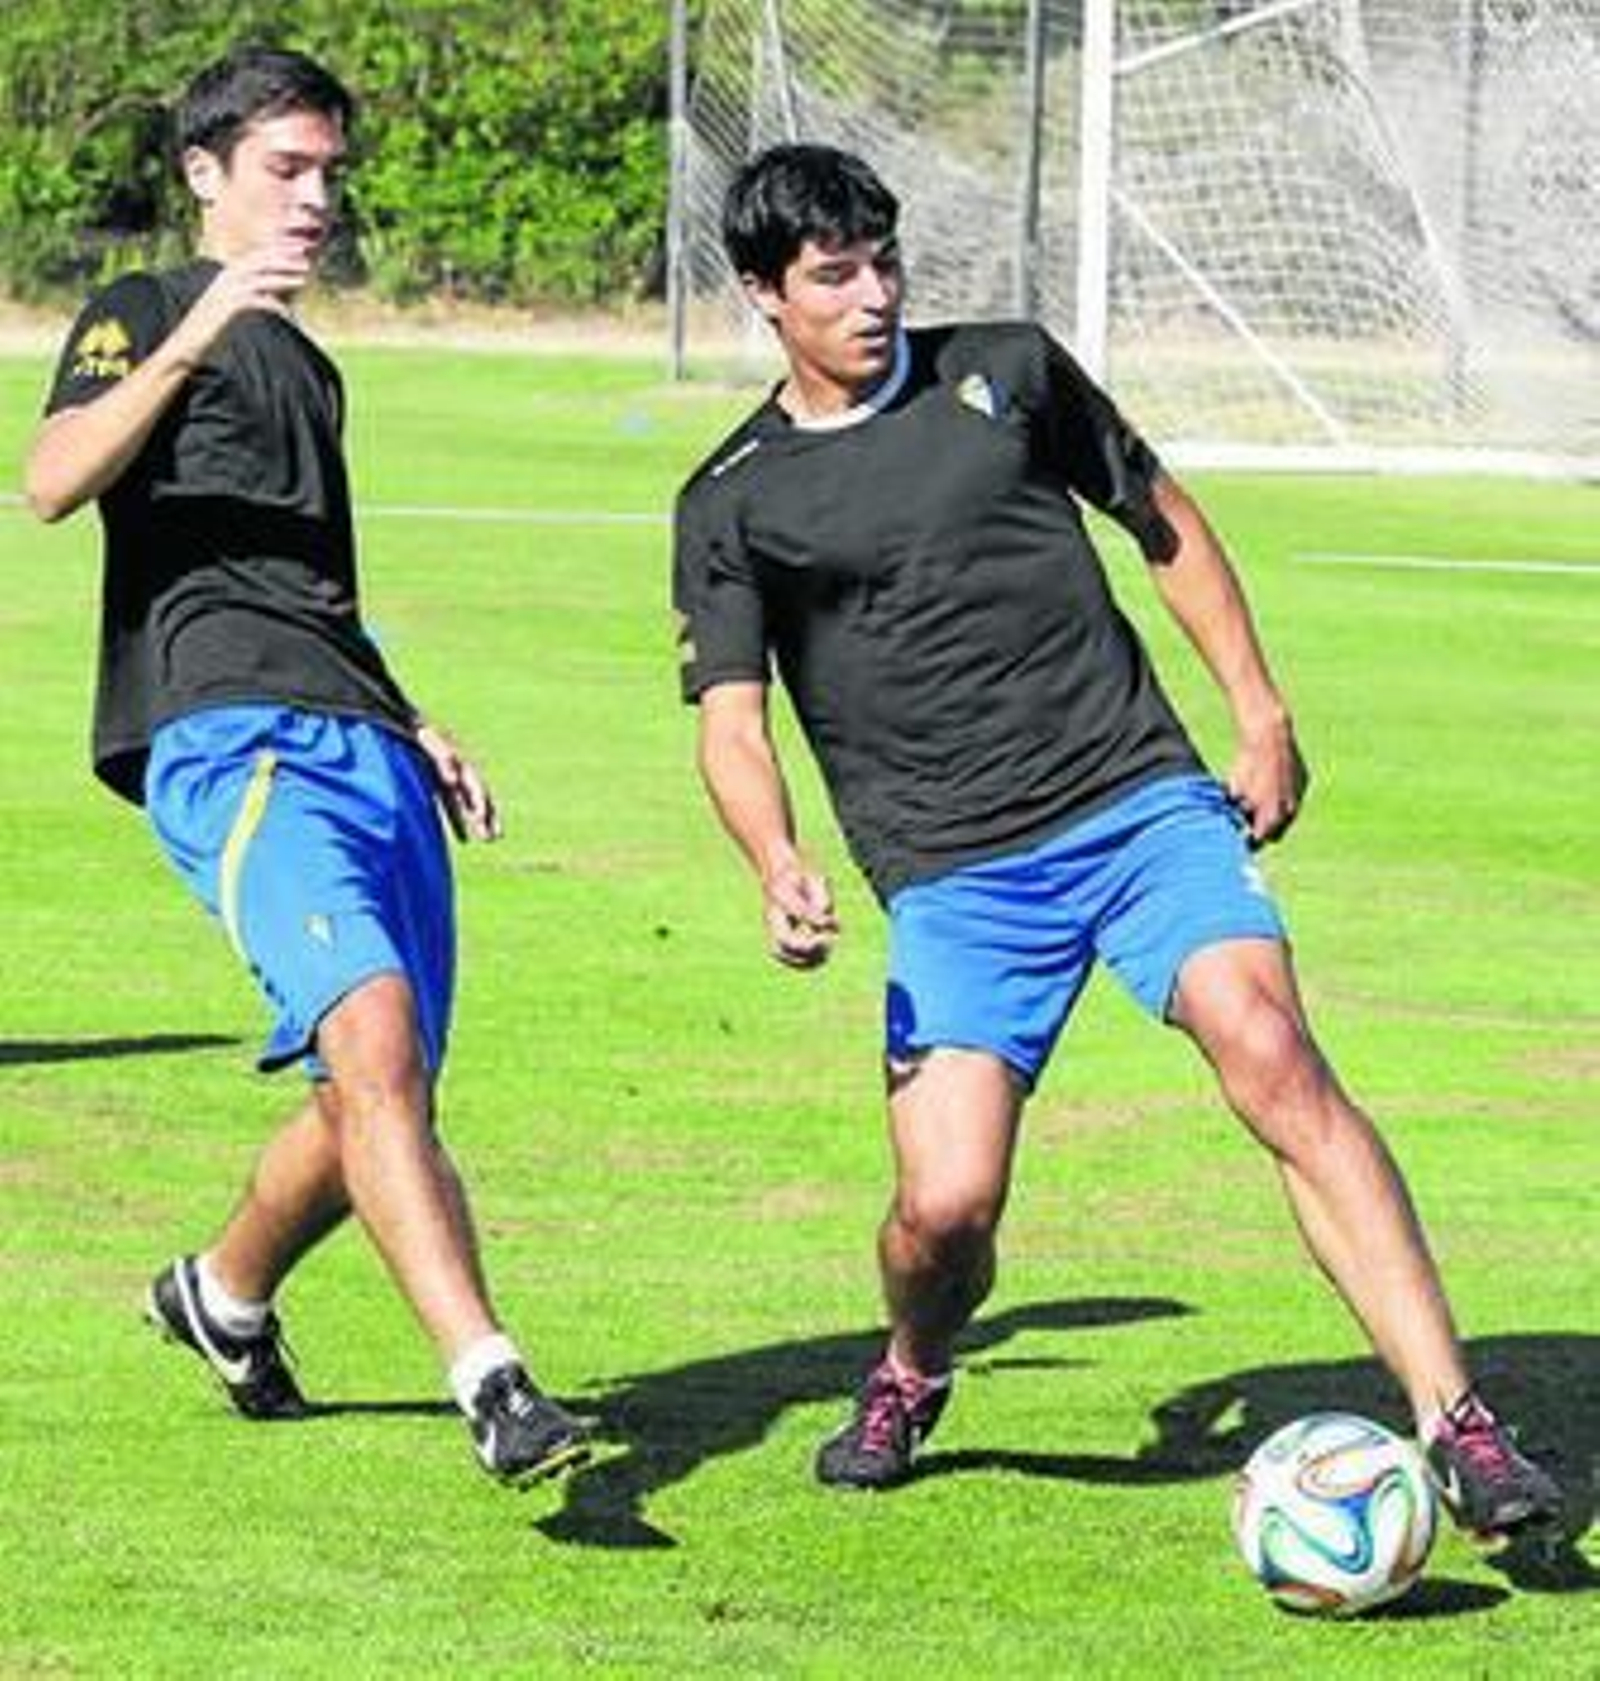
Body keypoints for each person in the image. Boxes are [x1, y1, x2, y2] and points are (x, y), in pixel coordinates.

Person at [671, 142, 1562, 1540]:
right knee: (946, 1210)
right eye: (835, 275)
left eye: (885, 262)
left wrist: (1258, 709)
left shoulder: (1008, 371)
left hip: (1136, 800)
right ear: (764, 296)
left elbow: (1166, 524)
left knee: (1270, 1050)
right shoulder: (731, 497)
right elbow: (733, 719)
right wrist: (776, 860)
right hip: (954, 872)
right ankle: (913, 1364)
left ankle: (1460, 1422)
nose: (874, 295)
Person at [24, 45, 587, 1488]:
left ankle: (220, 1291)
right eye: (287, 169)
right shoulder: (145, 308)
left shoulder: (315, 368)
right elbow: (52, 480)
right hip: (228, 734)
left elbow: (318, 588)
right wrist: (200, 324)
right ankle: (494, 1381)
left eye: (331, 171)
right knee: (376, 1042)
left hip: (364, 740)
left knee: (369, 1098)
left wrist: (414, 717)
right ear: (207, 174)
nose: (316, 198)